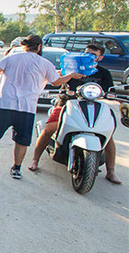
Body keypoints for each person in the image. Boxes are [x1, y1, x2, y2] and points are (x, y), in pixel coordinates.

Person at [0, 35, 82, 179]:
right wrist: (70, 75)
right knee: (21, 140)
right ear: (40, 47)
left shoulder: (11, 57)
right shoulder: (45, 63)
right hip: (26, 107)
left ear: (25, 46)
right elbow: (57, 82)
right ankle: (16, 169)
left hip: (3, 104)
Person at [29, 43, 120, 184]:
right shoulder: (72, 68)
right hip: (67, 104)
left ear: (100, 58)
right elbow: (58, 81)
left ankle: (111, 171)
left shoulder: (104, 73)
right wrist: (66, 77)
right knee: (48, 130)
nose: (88, 57)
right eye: (87, 53)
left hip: (93, 106)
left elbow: (110, 91)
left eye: (93, 55)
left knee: (109, 137)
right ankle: (35, 160)